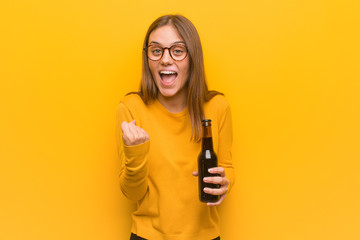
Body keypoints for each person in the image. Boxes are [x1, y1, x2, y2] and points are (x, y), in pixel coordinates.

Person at [116, 14, 234, 240]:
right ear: (148, 58)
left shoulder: (218, 107)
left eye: (177, 50)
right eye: (156, 50)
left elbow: (227, 166)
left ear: (193, 57)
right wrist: (135, 152)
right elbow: (132, 192)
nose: (165, 59)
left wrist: (224, 182)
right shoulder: (131, 109)